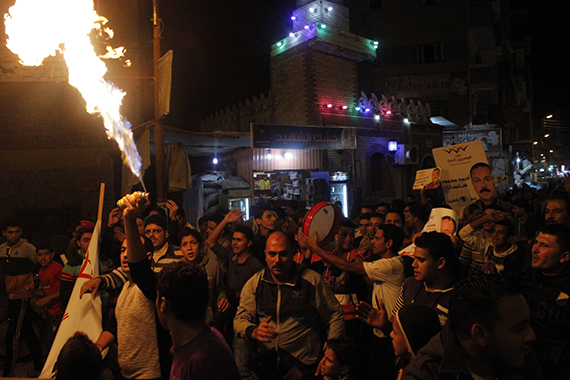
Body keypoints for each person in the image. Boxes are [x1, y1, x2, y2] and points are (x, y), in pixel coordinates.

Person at [119, 192, 240, 380]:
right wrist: (129, 220)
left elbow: (141, 274)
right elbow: (141, 273)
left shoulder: (203, 359)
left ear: (163, 304)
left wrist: (130, 221)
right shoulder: (202, 340)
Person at [300, 224, 405, 380]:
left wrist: (317, 249)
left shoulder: (390, 265)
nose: (372, 242)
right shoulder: (381, 262)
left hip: (379, 329)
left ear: (389, 244)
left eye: (377, 238)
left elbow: (346, 266)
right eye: (344, 234)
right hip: (378, 329)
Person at [235, 231, 345, 380]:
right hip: (268, 367)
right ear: (265, 254)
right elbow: (240, 319)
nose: (277, 260)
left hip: (304, 367)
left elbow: (335, 315)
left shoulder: (311, 281)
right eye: (272, 254)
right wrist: (253, 331)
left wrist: (330, 351)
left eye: (283, 254)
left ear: (292, 253)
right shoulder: (255, 284)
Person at [402, 275, 542, 380]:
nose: (531, 336)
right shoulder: (425, 374)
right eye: (518, 328)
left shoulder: (523, 357)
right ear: (480, 334)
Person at [91, 235, 166, 380]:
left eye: (131, 250)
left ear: (147, 256)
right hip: (125, 374)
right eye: (123, 250)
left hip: (150, 375)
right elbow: (113, 326)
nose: (125, 255)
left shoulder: (154, 285)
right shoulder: (125, 288)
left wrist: (129, 220)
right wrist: (97, 348)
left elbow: (143, 274)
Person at [523, 224, 570, 379]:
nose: (535, 249)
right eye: (536, 242)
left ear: (564, 257)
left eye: (544, 245)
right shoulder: (526, 276)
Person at [0, 221, 44, 377]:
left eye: (17, 232)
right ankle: (40, 365)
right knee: (27, 332)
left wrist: (35, 285)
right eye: (10, 232)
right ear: (4, 233)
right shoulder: (3, 249)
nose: (14, 235)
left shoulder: (27, 249)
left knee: (13, 335)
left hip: (23, 296)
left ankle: (8, 372)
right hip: (11, 295)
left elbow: (41, 265)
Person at [180, 228, 229, 327]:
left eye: (193, 243)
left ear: (200, 245)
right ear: (181, 249)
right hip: (185, 324)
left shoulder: (212, 265)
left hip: (209, 322)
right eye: (184, 244)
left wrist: (222, 299)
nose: (189, 248)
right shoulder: (178, 268)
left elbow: (221, 290)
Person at [391, 305, 441, 380]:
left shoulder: (422, 374)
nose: (391, 334)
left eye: (395, 332)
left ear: (410, 342)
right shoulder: (401, 361)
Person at [32, 244, 64, 356]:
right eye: (40, 255)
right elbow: (46, 291)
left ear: (52, 255)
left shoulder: (57, 268)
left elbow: (67, 289)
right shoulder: (41, 271)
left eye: (46, 254)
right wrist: (33, 293)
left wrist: (48, 298)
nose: (43, 257)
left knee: (53, 345)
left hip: (59, 312)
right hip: (50, 312)